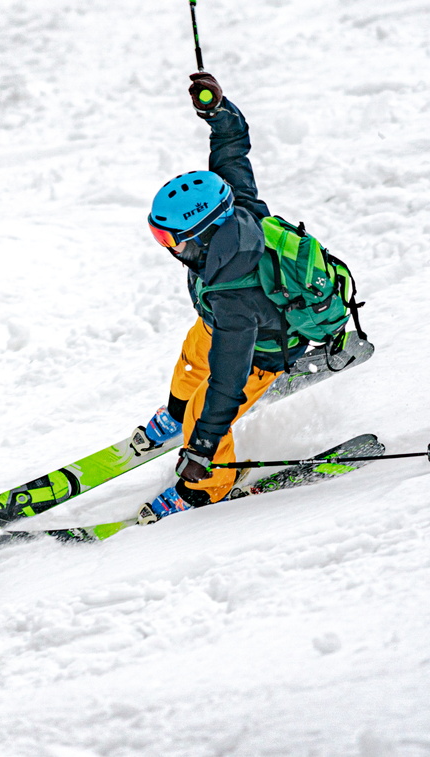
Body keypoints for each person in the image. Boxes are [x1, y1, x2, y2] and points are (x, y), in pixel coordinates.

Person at [133, 72, 312, 522]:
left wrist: (202, 446)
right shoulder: (240, 208)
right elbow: (232, 151)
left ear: (199, 239)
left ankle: (207, 486)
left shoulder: (237, 299)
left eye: (170, 240)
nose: (169, 249)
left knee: (204, 410)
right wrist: (219, 112)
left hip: (264, 350)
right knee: (195, 352)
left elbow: (227, 385)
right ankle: (174, 417)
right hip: (224, 324)